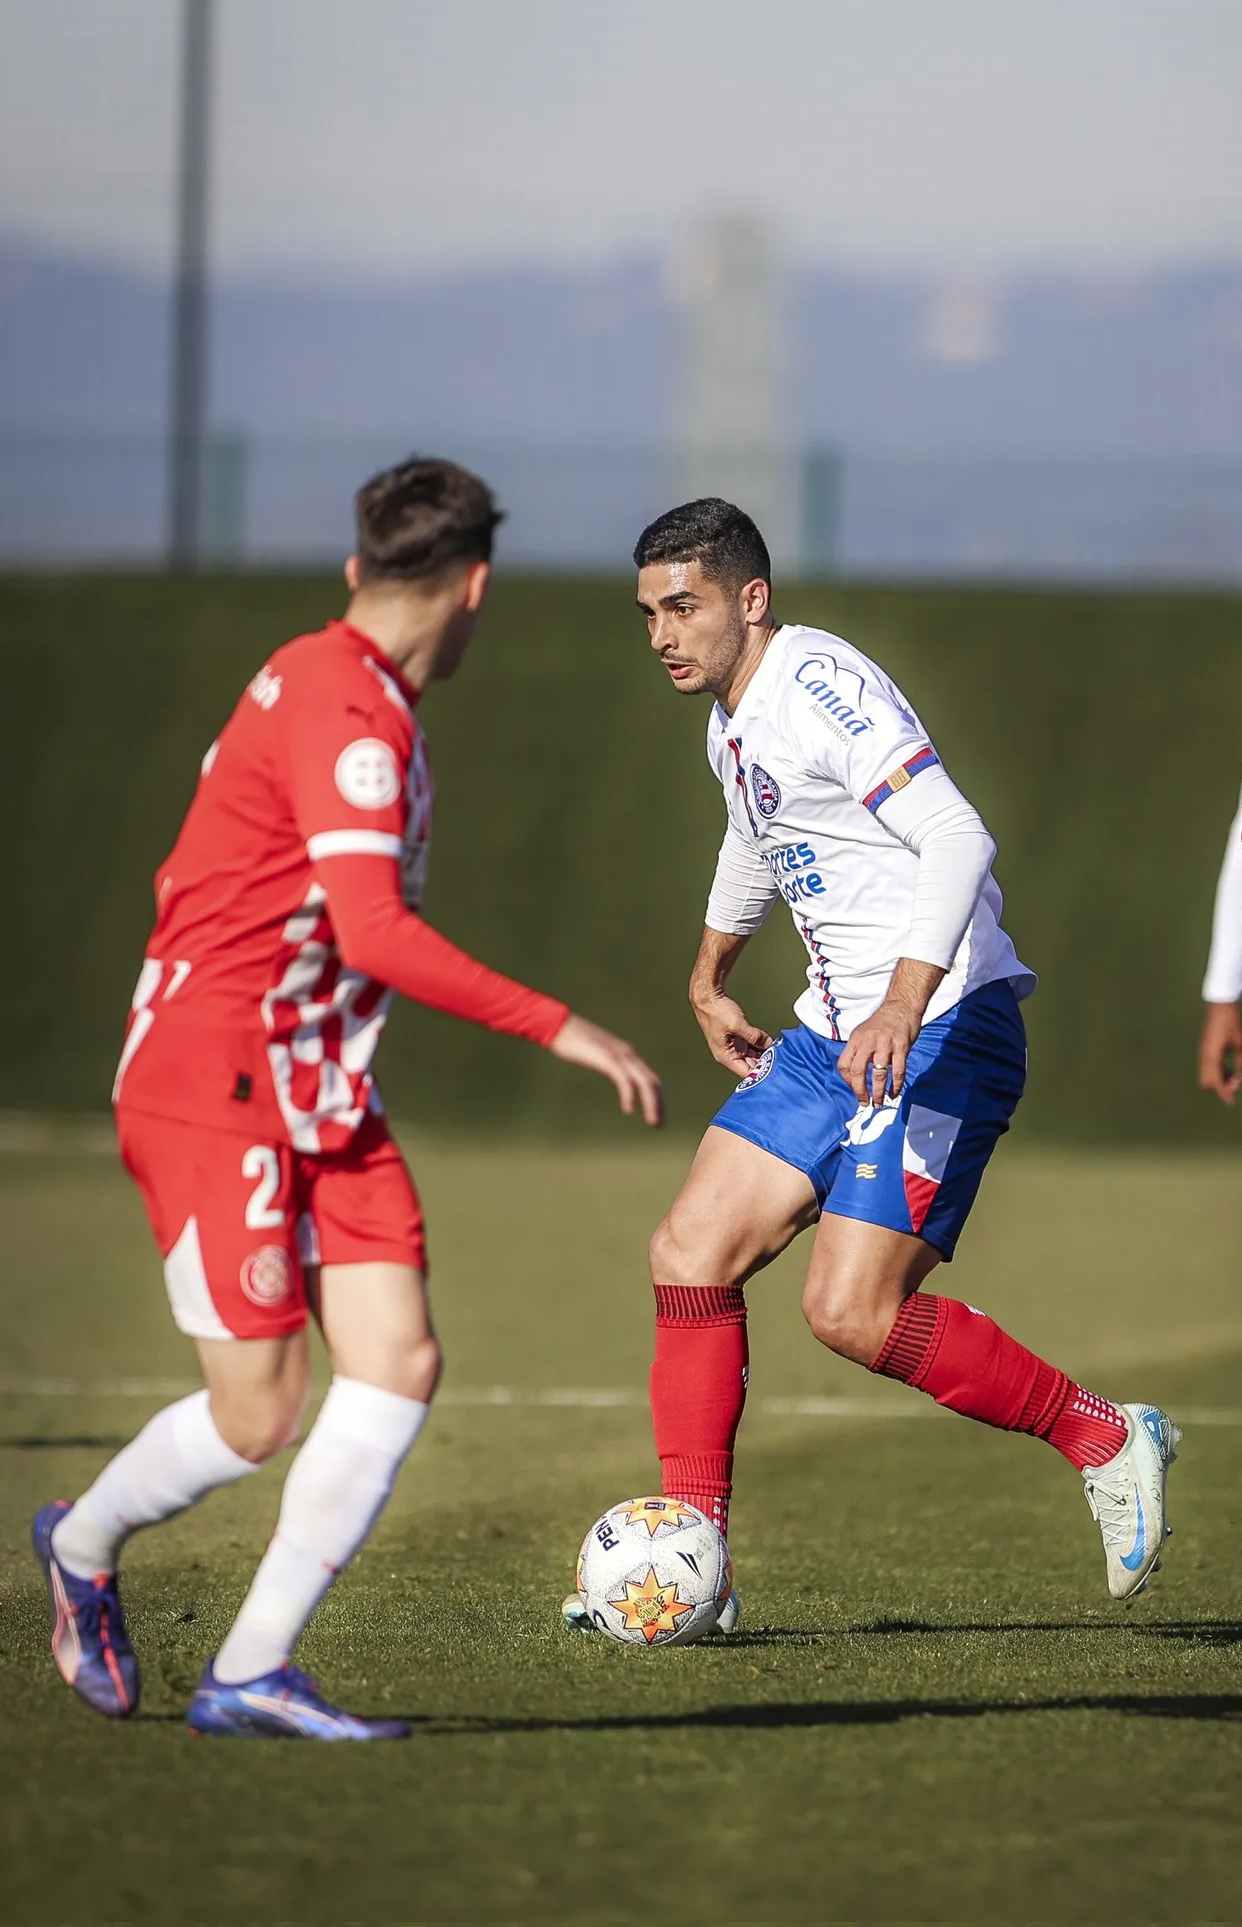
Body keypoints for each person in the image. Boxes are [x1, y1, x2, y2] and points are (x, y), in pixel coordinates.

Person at [34, 457, 664, 1739]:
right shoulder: (343, 709)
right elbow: (373, 932)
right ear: (476, 585)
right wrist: (559, 1023)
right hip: (216, 1076)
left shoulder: (363, 692)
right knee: (258, 1410)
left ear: (357, 569)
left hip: (317, 1084)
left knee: (395, 1359)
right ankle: (82, 1545)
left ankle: (251, 1668)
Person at [564, 496, 1180, 1633]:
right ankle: (697, 1566)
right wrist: (707, 979)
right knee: (689, 1249)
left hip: (944, 1021)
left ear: (751, 598)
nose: (661, 631)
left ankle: (1105, 1432)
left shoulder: (815, 682)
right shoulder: (730, 722)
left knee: (849, 1312)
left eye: (683, 605)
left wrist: (901, 1002)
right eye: (648, 610)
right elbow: (755, 841)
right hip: (832, 1033)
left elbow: (957, 834)